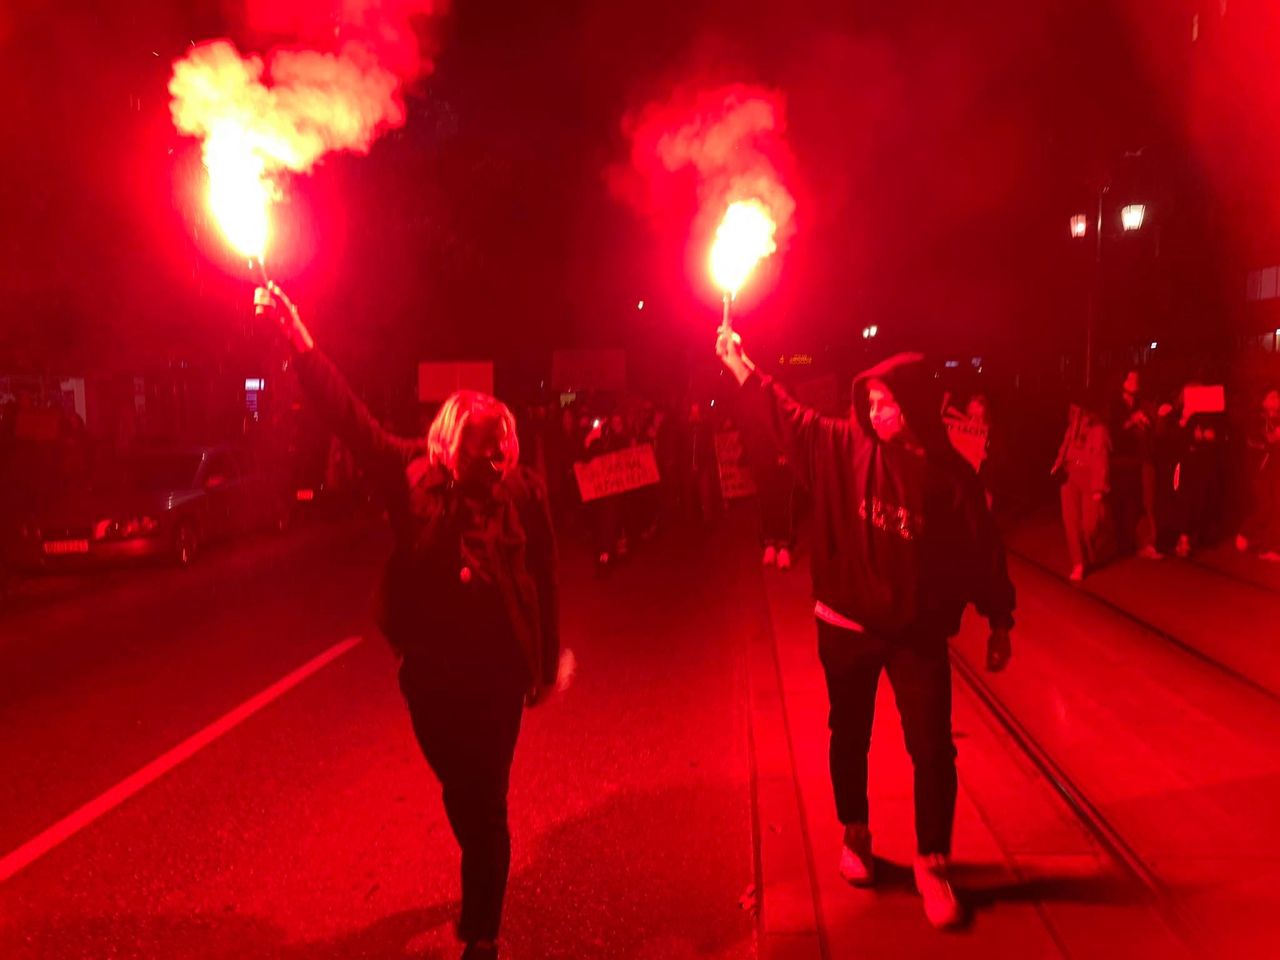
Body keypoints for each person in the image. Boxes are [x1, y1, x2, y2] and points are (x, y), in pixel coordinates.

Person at [258, 283, 560, 960]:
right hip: (430, 678)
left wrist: (544, 666)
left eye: (504, 449)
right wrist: (300, 341)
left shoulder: (524, 492)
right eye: (484, 448)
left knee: (487, 802)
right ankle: (479, 872)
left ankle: (483, 929)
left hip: (497, 676)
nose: (497, 461)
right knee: (461, 792)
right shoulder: (409, 475)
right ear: (451, 446)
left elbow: (545, 577)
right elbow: (348, 417)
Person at [716, 328, 1015, 930]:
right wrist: (740, 365)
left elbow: (981, 552)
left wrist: (998, 618)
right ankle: (854, 834)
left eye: (889, 402)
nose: (877, 412)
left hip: (916, 634)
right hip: (846, 623)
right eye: (871, 401)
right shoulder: (838, 445)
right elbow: (787, 416)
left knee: (932, 749)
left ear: (916, 406)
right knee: (848, 735)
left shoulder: (949, 476)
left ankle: (932, 861)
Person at [1051, 399, 1111, 581]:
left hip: (1088, 476)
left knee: (1090, 525)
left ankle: (1090, 551)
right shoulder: (1072, 427)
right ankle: (1078, 563)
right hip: (1069, 475)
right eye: (1072, 409)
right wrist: (1056, 466)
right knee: (1071, 522)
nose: (1074, 412)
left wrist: (1098, 487)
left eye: (1078, 409)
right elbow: (1064, 448)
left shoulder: (1099, 430)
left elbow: (1101, 458)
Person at [1108, 370, 1161, 560]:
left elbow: (1153, 432)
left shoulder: (1143, 404)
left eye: (1137, 378)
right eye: (1130, 378)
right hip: (1121, 462)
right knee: (1121, 504)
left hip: (1141, 460)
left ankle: (1145, 543)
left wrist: (1150, 421)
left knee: (1144, 503)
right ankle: (1122, 543)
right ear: (1122, 382)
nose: (1135, 382)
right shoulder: (1114, 405)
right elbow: (1112, 432)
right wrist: (1131, 421)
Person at [1238, 386, 1280, 562]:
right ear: (1263, 401)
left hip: (1276, 470)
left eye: (1277, 397)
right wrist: (1273, 437)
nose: (1275, 400)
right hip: (1261, 471)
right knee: (1265, 508)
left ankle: (1270, 547)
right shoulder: (1256, 419)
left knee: (1277, 508)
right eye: (1271, 397)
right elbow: (1257, 442)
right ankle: (1246, 532)